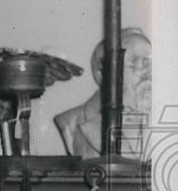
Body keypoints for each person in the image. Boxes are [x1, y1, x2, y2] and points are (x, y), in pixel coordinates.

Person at [54, 27, 152, 158]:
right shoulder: (71, 121)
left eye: (149, 63)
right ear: (104, 73)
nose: (148, 72)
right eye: (136, 62)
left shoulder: (163, 117)